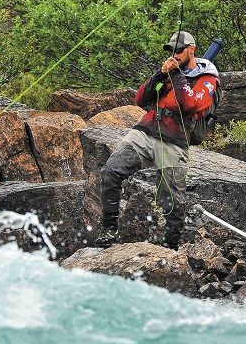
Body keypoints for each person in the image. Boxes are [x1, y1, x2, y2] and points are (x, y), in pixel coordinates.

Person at [94, 31, 220, 250]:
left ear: (191, 49)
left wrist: (178, 74)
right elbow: (140, 99)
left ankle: (171, 246)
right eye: (171, 50)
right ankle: (108, 229)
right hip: (146, 131)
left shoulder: (207, 78)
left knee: (170, 200)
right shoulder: (167, 72)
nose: (174, 54)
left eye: (178, 50)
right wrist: (159, 74)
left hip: (175, 140)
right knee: (110, 171)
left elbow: (189, 105)